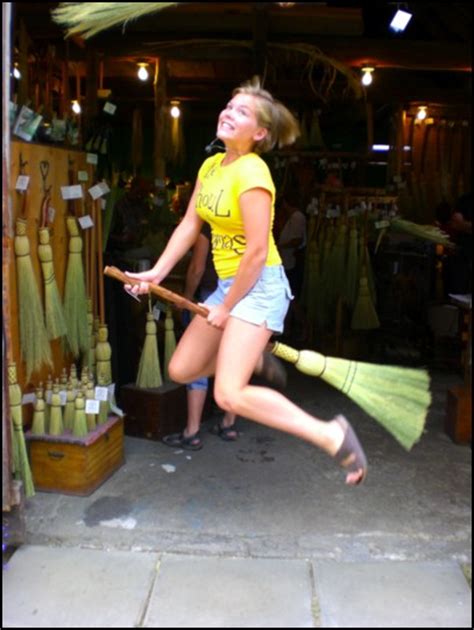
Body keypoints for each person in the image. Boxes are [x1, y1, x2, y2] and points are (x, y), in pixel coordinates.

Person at [125, 77, 367, 485]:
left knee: (228, 394)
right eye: (228, 105)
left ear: (260, 134)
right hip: (231, 287)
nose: (228, 113)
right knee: (182, 369)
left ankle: (331, 434)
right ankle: (249, 351)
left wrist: (227, 306)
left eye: (241, 111)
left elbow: (256, 252)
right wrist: (155, 274)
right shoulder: (211, 166)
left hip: (259, 287)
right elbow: (189, 226)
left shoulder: (254, 173)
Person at [162, 223, 238, 450]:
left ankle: (192, 431)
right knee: (234, 358)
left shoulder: (210, 226)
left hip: (212, 297)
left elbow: (197, 267)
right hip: (243, 299)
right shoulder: (249, 219)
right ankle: (228, 424)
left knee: (198, 360)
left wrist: (186, 297)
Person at [277, 197, 307, 339]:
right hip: (286, 261)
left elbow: (297, 240)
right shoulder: (292, 217)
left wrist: (280, 247)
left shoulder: (297, 217)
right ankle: (287, 329)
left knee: (292, 296)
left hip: (291, 261)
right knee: (287, 296)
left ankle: (302, 326)